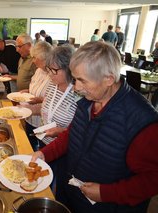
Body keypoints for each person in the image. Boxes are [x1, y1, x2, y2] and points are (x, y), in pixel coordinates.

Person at [31, 41, 158, 213]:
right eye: (75, 79)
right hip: (73, 193)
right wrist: (44, 153)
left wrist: (105, 193)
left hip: (108, 207)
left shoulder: (142, 121)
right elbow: (72, 134)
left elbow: (151, 180)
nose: (76, 87)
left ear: (109, 79)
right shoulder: (87, 102)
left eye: (82, 81)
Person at [24, 45, 77, 151]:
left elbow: (80, 132)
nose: (50, 74)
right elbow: (45, 108)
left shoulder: (78, 94)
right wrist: (24, 110)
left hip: (62, 149)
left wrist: (61, 131)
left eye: (54, 70)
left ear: (68, 69)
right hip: (44, 142)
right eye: (48, 69)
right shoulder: (53, 85)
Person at [19, 41, 53, 149]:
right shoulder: (38, 70)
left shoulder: (54, 75)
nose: (33, 61)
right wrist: (27, 91)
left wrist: (39, 100)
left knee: (41, 148)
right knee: (29, 145)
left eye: (35, 58)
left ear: (43, 58)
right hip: (30, 118)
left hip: (42, 122)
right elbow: (33, 87)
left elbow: (53, 100)